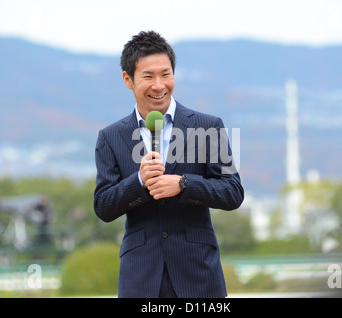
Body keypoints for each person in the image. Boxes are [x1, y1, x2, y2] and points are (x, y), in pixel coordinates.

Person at [93, 30, 244, 298]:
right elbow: (103, 206)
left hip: (198, 275)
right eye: (148, 76)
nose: (159, 85)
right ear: (128, 79)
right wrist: (138, 182)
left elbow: (232, 192)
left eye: (166, 74)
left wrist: (183, 184)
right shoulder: (110, 137)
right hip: (140, 277)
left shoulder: (208, 126)